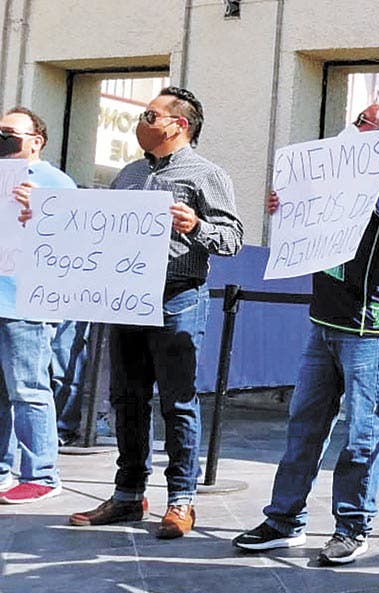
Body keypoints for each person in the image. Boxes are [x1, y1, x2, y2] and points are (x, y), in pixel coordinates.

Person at [231, 102, 379, 565]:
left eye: (363, 122)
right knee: (304, 425)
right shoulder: (334, 173)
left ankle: (353, 526)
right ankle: (284, 520)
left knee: (363, 432)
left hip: (370, 326)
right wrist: (285, 208)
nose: (352, 127)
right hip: (324, 320)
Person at [66, 87, 243, 539]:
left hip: (178, 298)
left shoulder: (206, 174)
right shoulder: (129, 174)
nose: (141, 123)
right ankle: (128, 495)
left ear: (178, 124)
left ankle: (181, 499)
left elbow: (232, 240)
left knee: (178, 402)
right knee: (126, 398)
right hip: (125, 299)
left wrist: (196, 226)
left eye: (149, 115)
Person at [0, 106, 77, 504]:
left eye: (9, 132)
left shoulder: (56, 183)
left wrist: (42, 210)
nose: (2, 138)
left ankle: (41, 473)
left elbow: (76, 240)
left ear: (36, 141)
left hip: (25, 302)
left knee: (28, 389)